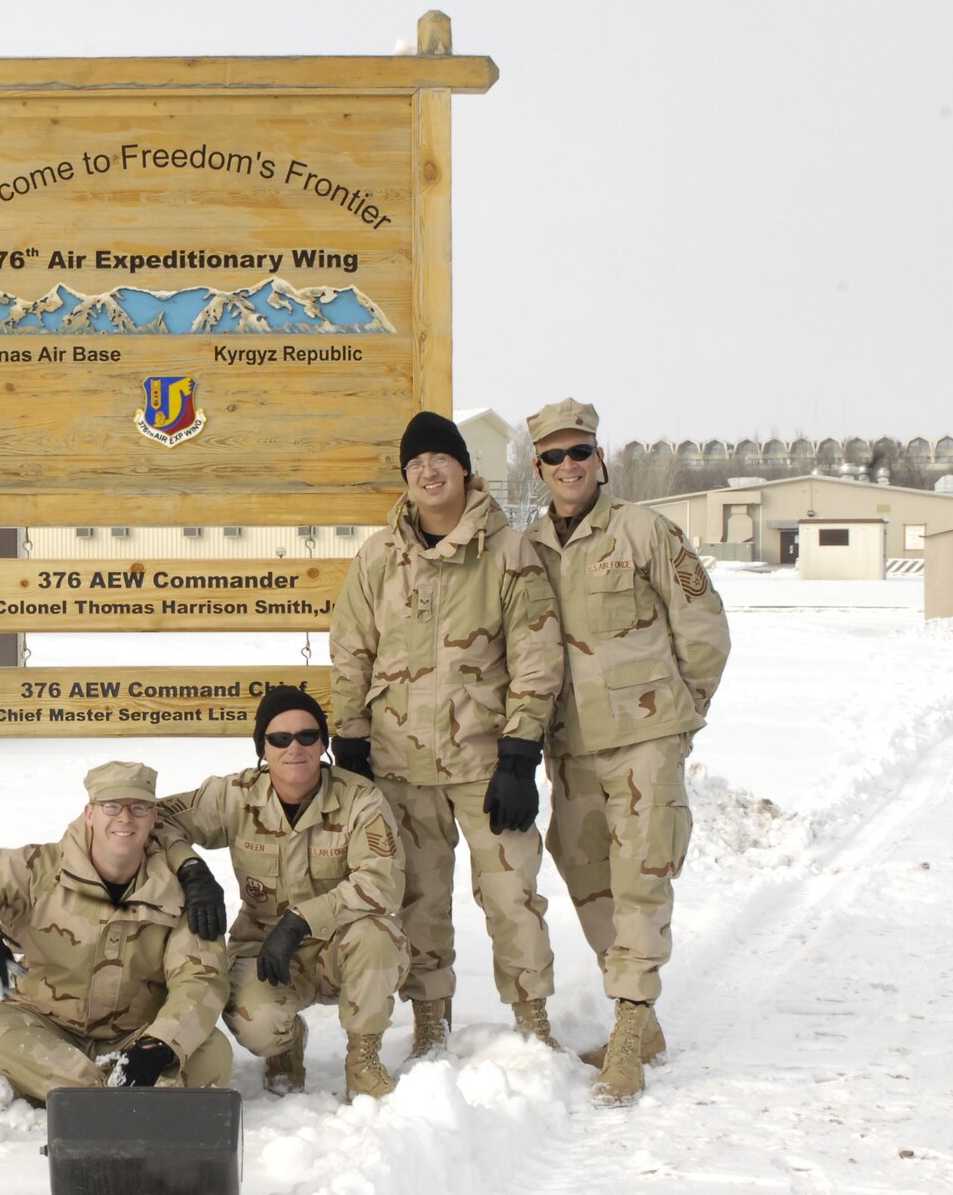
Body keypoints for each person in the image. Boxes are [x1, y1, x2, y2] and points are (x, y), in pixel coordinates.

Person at [329, 411, 566, 1061]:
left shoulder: (509, 551)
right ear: (406, 479)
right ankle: (430, 1020)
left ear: (464, 467)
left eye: (439, 459)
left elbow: (537, 654)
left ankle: (532, 1018)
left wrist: (521, 752)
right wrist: (350, 740)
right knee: (418, 900)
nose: (428, 472)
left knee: (512, 892)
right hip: (400, 762)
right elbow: (351, 649)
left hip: (487, 762)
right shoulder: (379, 557)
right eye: (414, 465)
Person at [522, 398, 731, 1104]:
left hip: (643, 741)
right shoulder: (529, 549)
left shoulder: (646, 532)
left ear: (599, 457)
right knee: (584, 874)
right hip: (572, 747)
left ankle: (631, 1029)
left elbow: (704, 628)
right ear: (538, 468)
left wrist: (683, 718)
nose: (569, 465)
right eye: (555, 456)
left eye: (580, 451)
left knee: (641, 878)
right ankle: (640, 1016)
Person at [154, 686, 410, 1100]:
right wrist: (192, 869)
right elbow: (157, 818)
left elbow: (383, 882)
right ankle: (285, 1048)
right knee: (256, 1023)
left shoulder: (360, 799)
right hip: (263, 946)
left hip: (340, 946)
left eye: (308, 736)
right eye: (280, 738)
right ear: (263, 748)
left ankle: (364, 1061)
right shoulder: (235, 795)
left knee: (379, 935)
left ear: (324, 744)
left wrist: (302, 920)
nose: (295, 748)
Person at [0, 761, 233, 1107]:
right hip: (46, 1025)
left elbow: (200, 978)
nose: (124, 819)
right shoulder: (38, 868)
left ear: (153, 819)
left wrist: (159, 1045)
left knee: (214, 1053)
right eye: (111, 807)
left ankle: (59, 1090)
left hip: (137, 1036)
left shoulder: (182, 892)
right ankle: (118, 1098)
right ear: (90, 813)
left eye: (138, 808)